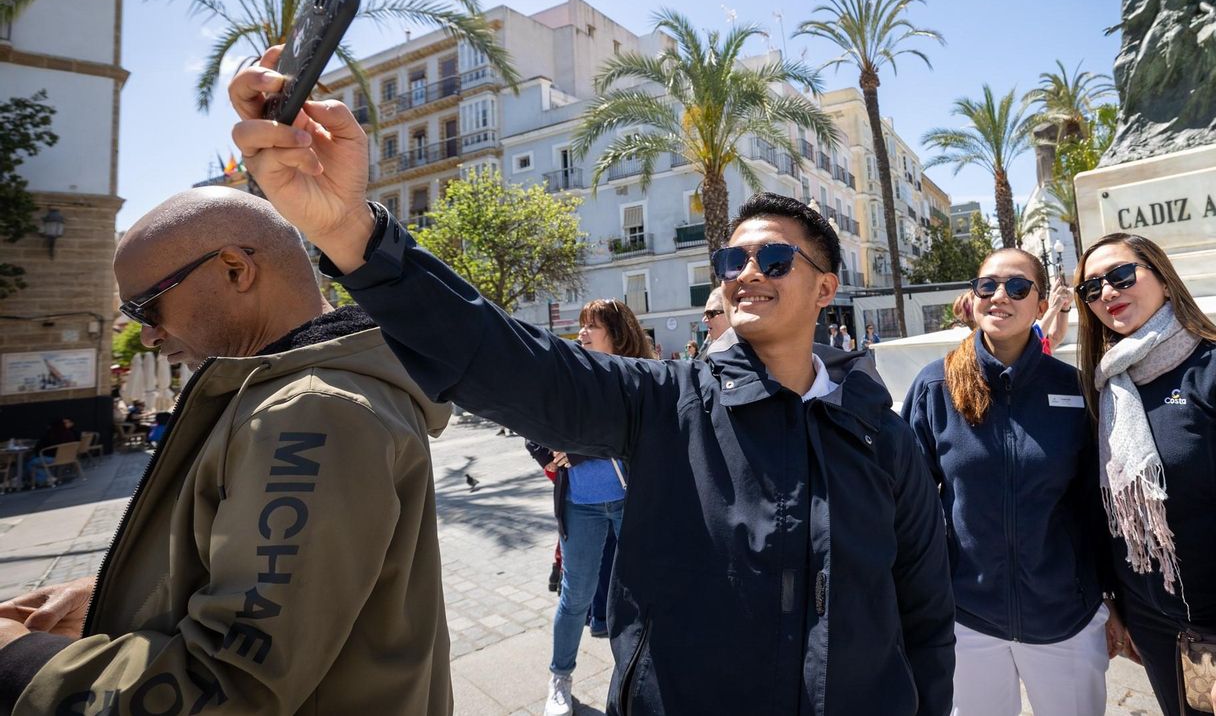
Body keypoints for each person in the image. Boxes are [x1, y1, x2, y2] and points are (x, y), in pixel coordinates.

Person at [229, 51, 953, 716]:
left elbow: (924, 613)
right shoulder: (663, 404)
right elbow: (509, 363)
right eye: (733, 260)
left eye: (774, 258)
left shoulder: (882, 438)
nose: (748, 273)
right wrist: (353, 232)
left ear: (827, 288)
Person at [0, 187, 453, 714]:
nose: (146, 335)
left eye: (146, 306)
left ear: (235, 269)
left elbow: (230, 682)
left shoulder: (310, 412)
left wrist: (18, 658)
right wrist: (118, 597)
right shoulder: (288, 396)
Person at [1073, 232, 1216, 716]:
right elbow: (1104, 514)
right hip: (1155, 626)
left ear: (1162, 277)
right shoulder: (1109, 386)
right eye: (1091, 289)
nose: (1107, 293)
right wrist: (1119, 604)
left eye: (1120, 275)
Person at [904, 248, 1112, 716]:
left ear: (1043, 306)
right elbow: (908, 507)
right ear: (973, 298)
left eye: (1018, 287)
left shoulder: (1076, 388)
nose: (1001, 296)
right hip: (967, 621)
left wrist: (1111, 599)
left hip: (1066, 620)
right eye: (988, 286)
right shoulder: (934, 386)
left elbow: (1097, 505)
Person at [527, 298, 649, 714]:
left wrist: (574, 449)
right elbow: (533, 426)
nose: (582, 333)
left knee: (643, 592)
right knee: (574, 597)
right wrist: (548, 452)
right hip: (581, 505)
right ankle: (559, 678)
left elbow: (619, 432)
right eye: (582, 325)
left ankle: (645, 676)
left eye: (591, 326)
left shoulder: (638, 376)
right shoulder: (567, 376)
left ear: (616, 333)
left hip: (631, 502)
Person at [24, 417, 78, 486]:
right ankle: (28, 479)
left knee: (30, 463)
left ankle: (45, 478)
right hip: (67, 457)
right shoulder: (69, 434)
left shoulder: (50, 435)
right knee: (31, 458)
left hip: (53, 458)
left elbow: (38, 448)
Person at [698, 286, 735, 358]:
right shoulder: (712, 349)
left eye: (709, 314)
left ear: (730, 312)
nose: (704, 320)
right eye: (704, 315)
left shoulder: (755, 350)